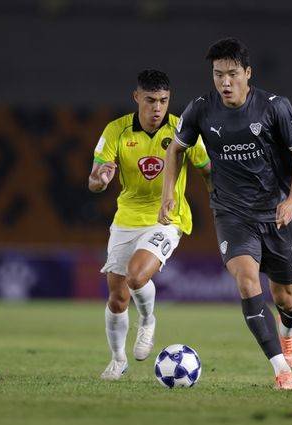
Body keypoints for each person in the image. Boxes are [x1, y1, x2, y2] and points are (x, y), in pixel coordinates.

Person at [158, 38, 292, 390]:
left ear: (247, 73)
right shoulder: (201, 109)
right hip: (231, 213)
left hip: (275, 213)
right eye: (218, 74)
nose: (224, 82)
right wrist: (168, 194)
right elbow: (176, 150)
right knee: (246, 281)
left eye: (232, 74)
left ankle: (289, 330)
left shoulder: (274, 107)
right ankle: (281, 371)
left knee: (286, 298)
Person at [89, 69, 210, 380]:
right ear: (136, 97)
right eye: (151, 100)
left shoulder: (183, 129)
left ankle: (147, 320)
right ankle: (118, 359)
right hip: (126, 219)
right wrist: (101, 178)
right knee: (117, 298)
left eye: (163, 101)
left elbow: (207, 168)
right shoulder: (116, 130)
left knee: (136, 275)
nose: (158, 108)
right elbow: (95, 179)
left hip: (166, 218)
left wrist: (222, 198)